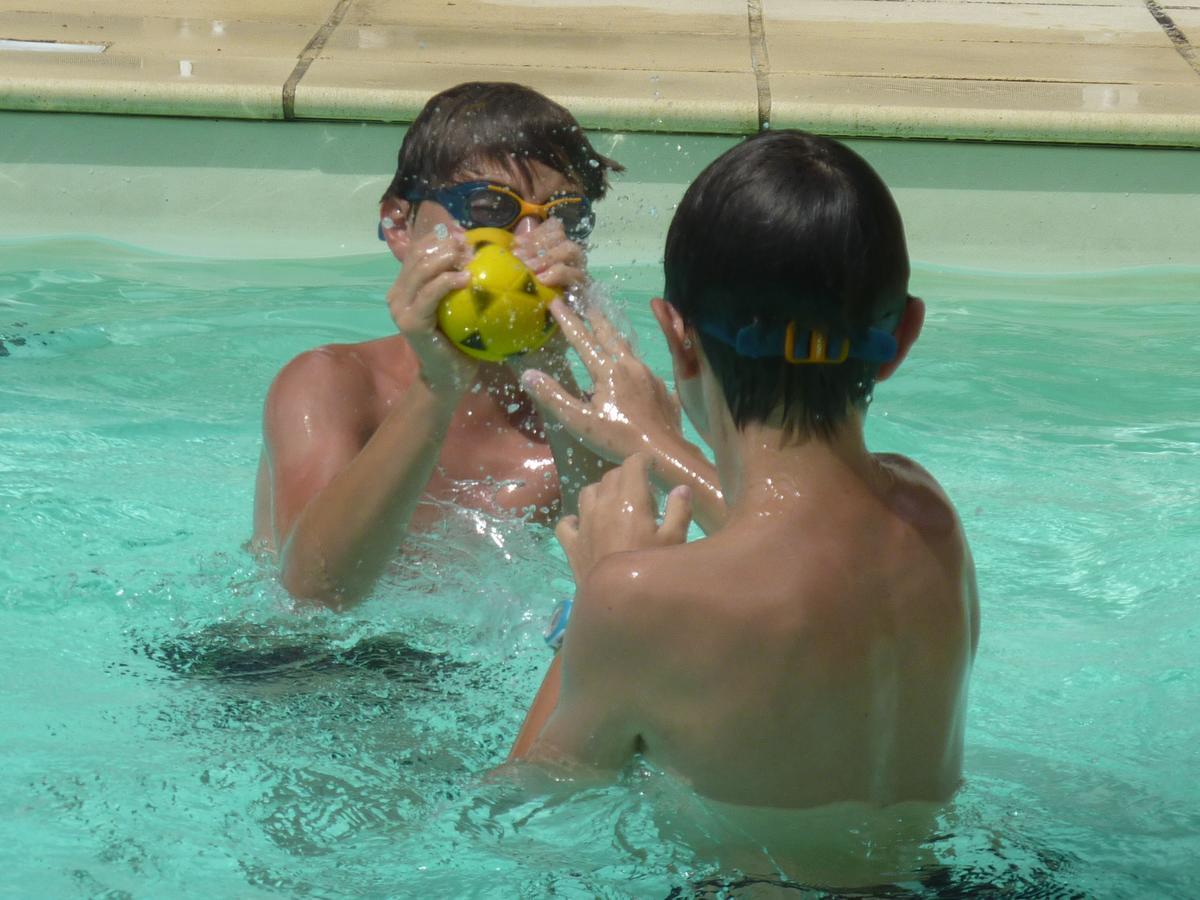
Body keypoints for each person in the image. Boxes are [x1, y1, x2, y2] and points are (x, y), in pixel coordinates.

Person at [508, 130, 979, 884]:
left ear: (677, 337)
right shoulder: (929, 517)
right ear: (902, 340)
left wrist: (596, 593)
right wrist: (655, 444)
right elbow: (804, 555)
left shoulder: (642, 599)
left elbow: (524, 806)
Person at [251, 82, 621, 609]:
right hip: (277, 670)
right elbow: (312, 597)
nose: (526, 243)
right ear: (399, 224)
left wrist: (551, 366)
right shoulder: (331, 385)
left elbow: (629, 587)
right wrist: (438, 383)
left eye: (561, 217)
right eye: (488, 207)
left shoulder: (577, 428)